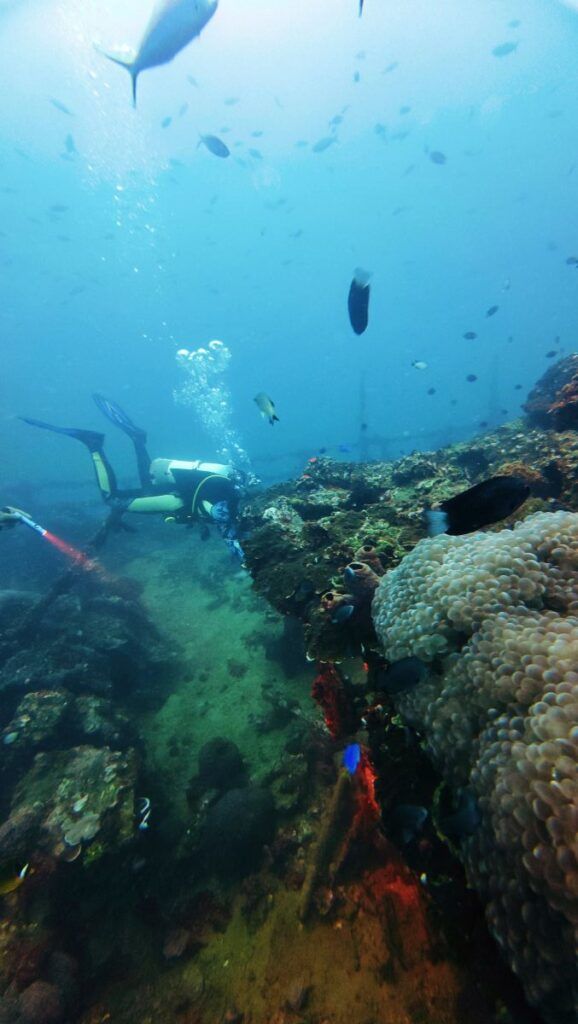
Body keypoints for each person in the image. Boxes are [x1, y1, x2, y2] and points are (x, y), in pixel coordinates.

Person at [21, 394, 245, 559]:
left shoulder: (234, 492)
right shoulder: (226, 507)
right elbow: (230, 536)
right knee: (113, 500)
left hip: (180, 491)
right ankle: (93, 446)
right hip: (178, 500)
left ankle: (137, 439)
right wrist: (245, 560)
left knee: (149, 487)